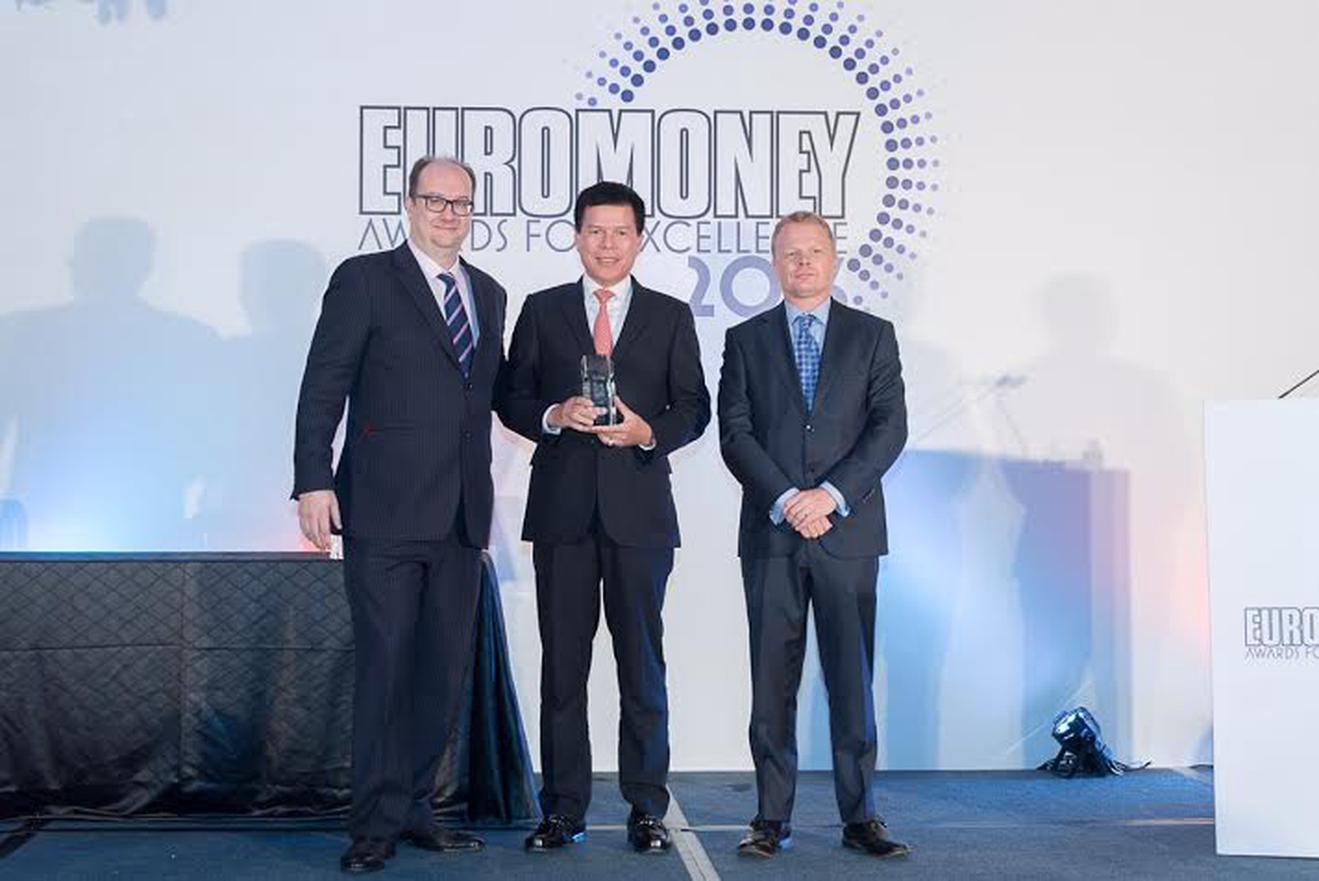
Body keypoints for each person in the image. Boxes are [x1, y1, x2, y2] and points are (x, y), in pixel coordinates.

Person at [292, 156, 505, 873]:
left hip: (460, 517)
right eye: (435, 200)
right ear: (409, 205)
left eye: (461, 203)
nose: (448, 214)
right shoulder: (364, 280)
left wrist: (557, 411)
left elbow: (491, 395)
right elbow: (324, 384)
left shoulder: (489, 293)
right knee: (385, 673)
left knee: (439, 677)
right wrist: (313, 480)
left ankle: (416, 808)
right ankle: (373, 826)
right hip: (382, 513)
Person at [497, 181, 709, 854]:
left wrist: (649, 433)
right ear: (576, 236)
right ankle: (562, 809)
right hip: (561, 513)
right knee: (562, 669)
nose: (607, 244)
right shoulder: (542, 309)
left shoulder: (670, 315)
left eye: (620, 232)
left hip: (640, 514)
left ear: (639, 239)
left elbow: (694, 406)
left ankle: (646, 808)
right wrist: (554, 414)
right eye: (595, 231)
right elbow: (510, 395)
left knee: (641, 666)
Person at [716, 211, 910, 859]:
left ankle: (861, 818)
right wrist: (786, 500)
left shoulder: (872, 336)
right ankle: (770, 818)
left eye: (814, 251)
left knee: (850, 680)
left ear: (833, 259)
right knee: (771, 682)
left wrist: (828, 497)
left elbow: (888, 427)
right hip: (772, 535)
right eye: (790, 252)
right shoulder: (744, 340)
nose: (802, 262)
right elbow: (735, 433)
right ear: (774, 262)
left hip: (846, 533)